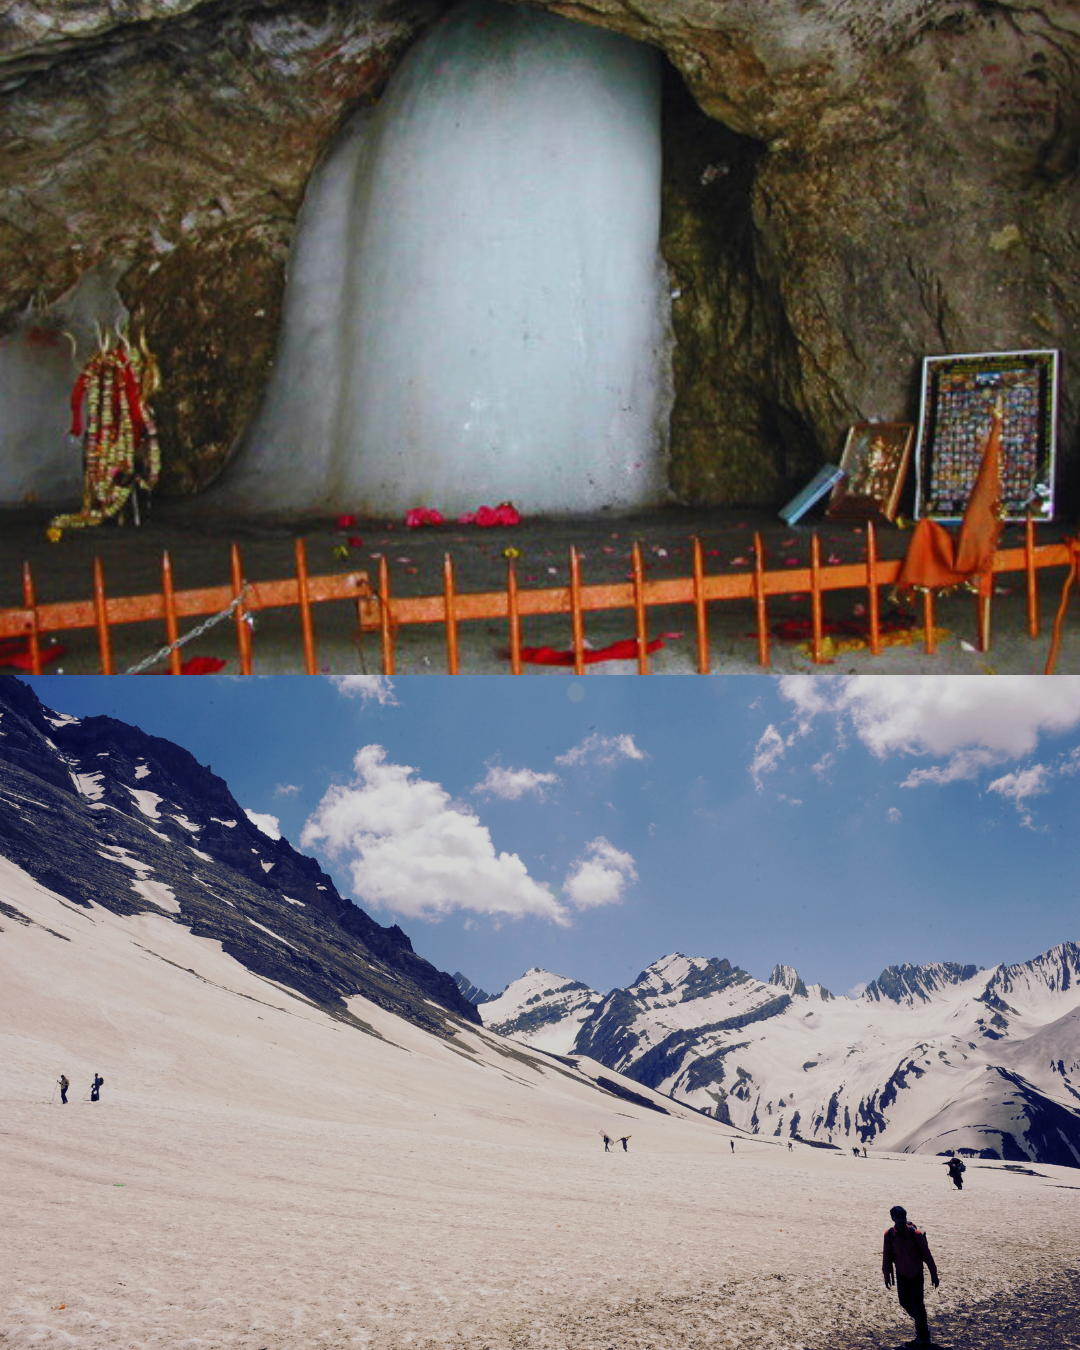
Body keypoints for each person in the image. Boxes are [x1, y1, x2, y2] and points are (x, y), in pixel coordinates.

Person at [883, 1205, 938, 1348]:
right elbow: (887, 1256)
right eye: (898, 1218)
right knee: (904, 1303)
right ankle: (922, 1326)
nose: (901, 1220)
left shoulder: (916, 1234)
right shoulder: (889, 1235)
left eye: (903, 1217)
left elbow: (927, 1256)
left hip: (916, 1274)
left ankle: (923, 1335)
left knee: (918, 1304)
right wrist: (886, 1275)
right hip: (901, 1275)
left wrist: (934, 1274)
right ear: (893, 1218)